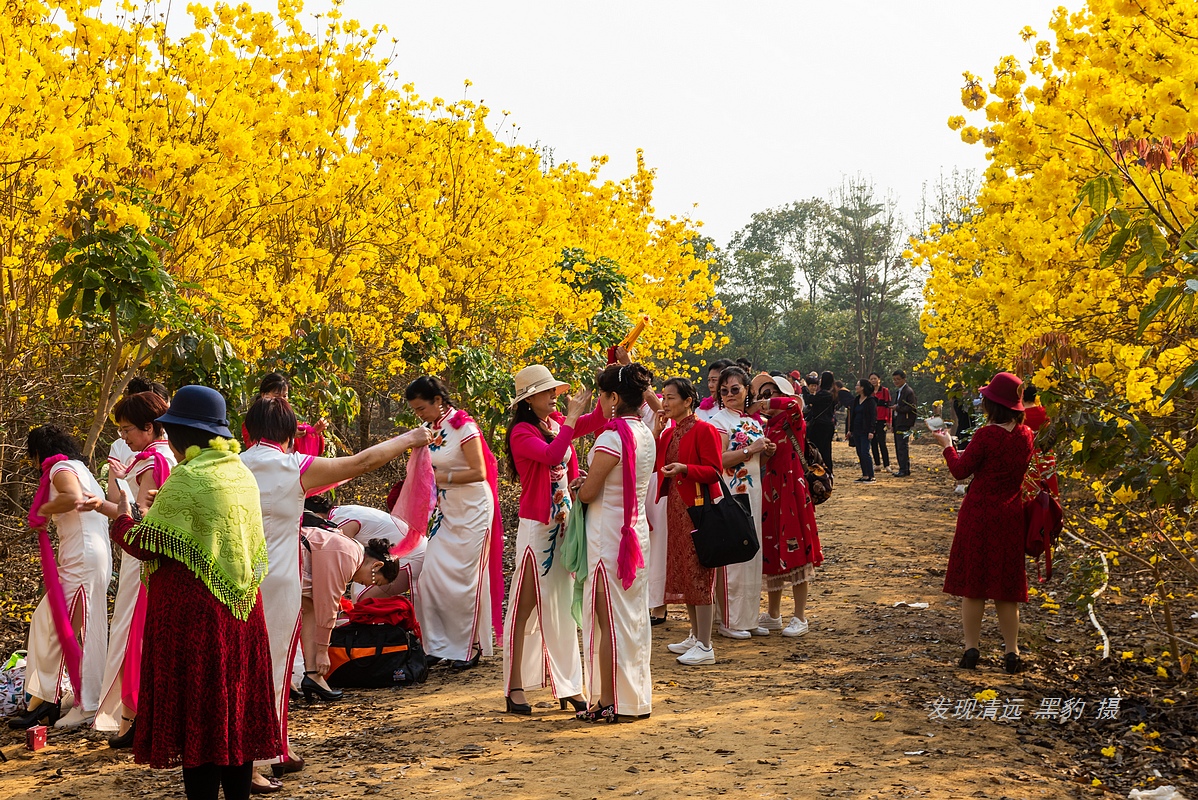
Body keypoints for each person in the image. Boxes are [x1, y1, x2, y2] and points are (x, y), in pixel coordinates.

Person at [88, 385, 281, 800]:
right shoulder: (238, 473)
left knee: (199, 713)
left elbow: (144, 543)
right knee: (232, 713)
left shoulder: (188, 477)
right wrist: (163, 506)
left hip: (195, 618)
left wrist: (123, 517)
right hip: (242, 611)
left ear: (180, 435)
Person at [241, 395, 430, 785]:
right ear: (290, 434)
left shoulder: (234, 465)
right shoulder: (291, 465)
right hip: (278, 581)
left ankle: (272, 746)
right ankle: (255, 760)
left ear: (249, 430)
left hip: (235, 578)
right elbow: (361, 462)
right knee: (271, 669)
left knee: (246, 666)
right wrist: (410, 439)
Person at [502, 365, 600, 715]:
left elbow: (598, 419)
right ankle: (514, 686)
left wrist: (608, 377)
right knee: (525, 607)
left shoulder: (556, 423)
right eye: (546, 392)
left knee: (561, 605)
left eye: (553, 391)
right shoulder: (522, 432)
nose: (554, 396)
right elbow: (552, 455)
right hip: (538, 529)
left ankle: (568, 684)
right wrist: (571, 419)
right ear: (528, 399)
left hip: (564, 526)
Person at [931, 372, 1034, 675]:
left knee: (973, 586)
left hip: (979, 513)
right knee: (1006, 588)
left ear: (992, 404)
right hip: (1010, 514)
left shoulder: (986, 435)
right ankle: (1012, 652)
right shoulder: (1026, 435)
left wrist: (947, 445)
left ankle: (971, 650)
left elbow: (960, 471)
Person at [9, 427, 111, 731]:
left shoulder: (59, 468)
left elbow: (71, 497)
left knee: (63, 627)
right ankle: (52, 699)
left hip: (83, 559)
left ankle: (83, 703)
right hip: (87, 556)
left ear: (39, 452)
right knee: (60, 626)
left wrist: (44, 508)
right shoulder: (79, 467)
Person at [571, 363, 656, 721]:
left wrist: (579, 488)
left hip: (609, 537)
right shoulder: (645, 432)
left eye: (603, 396)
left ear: (615, 398)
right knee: (632, 618)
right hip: (635, 530)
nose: (601, 403)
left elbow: (590, 493)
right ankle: (632, 698)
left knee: (610, 620)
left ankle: (609, 700)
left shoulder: (611, 438)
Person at [89, 391, 175, 747]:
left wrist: (104, 505)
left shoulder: (152, 461)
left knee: (133, 632)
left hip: (142, 557)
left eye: (127, 429)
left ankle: (132, 719)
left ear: (149, 427)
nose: (123, 437)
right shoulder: (170, 456)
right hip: (162, 555)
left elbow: (139, 517)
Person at [405, 376, 501, 671]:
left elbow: (479, 471)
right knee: (430, 575)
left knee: (465, 579)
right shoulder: (428, 430)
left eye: (421, 408)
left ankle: (468, 646)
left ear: (437, 400)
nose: (418, 414)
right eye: (415, 410)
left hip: (473, 507)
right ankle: (436, 645)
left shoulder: (464, 426)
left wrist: (440, 479)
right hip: (447, 510)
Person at [654, 378, 724, 666]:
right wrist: (657, 433)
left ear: (687, 401)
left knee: (699, 574)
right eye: (664, 397)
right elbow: (656, 466)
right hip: (677, 511)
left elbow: (715, 471)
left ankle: (706, 645)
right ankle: (695, 635)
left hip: (698, 509)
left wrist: (685, 469)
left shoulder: (704, 429)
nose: (665, 403)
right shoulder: (671, 433)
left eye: (671, 397)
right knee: (685, 572)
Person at [297, 523, 400, 702]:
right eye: (376, 581)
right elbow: (327, 603)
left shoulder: (351, 550)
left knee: (310, 610)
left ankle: (312, 675)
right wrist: (322, 652)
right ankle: (291, 678)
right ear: (376, 565)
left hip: (289, 561)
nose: (369, 585)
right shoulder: (348, 555)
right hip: (282, 559)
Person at [752, 375, 822, 638]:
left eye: (770, 393)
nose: (764, 400)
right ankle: (773, 614)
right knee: (773, 550)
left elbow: (794, 404)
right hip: (771, 491)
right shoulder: (766, 427)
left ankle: (800, 617)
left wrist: (765, 402)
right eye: (761, 394)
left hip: (792, 491)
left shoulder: (793, 418)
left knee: (797, 553)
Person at [709, 366, 775, 639]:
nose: (729, 394)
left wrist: (766, 452)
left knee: (752, 555)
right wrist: (750, 449)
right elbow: (718, 459)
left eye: (735, 389)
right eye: (724, 390)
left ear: (747, 390)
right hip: (730, 494)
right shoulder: (718, 421)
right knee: (733, 558)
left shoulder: (754, 422)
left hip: (753, 493)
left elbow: (757, 460)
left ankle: (748, 618)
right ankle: (729, 620)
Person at [303, 496, 426, 600]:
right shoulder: (340, 512)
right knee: (358, 591)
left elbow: (331, 562)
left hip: (411, 555)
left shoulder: (338, 522)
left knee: (364, 598)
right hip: (409, 550)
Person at [1021, 384, 1059, 499]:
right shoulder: (1045, 412)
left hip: (1027, 456)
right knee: (1049, 486)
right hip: (1045, 454)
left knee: (1030, 490)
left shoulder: (1019, 416)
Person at [804, 371, 837, 477]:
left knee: (817, 449)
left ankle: (820, 471)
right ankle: (828, 471)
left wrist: (804, 388)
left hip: (820, 426)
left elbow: (809, 399)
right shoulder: (833, 393)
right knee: (826, 449)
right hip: (828, 425)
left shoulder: (824, 394)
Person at [847, 379, 877, 483]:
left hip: (865, 430)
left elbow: (873, 417)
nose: (856, 387)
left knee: (865, 452)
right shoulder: (856, 400)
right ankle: (865, 475)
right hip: (856, 430)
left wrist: (871, 430)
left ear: (863, 388)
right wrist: (850, 430)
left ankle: (871, 475)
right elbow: (853, 415)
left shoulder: (870, 401)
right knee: (860, 452)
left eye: (858, 385)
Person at [892, 370, 918, 477]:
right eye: (894, 380)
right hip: (897, 422)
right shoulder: (899, 391)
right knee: (899, 446)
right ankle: (902, 468)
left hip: (904, 422)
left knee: (902, 446)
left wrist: (898, 408)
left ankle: (904, 469)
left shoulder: (908, 391)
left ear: (904, 379)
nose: (896, 382)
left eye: (898, 379)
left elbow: (912, 407)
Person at [697, 358, 734, 423]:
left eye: (714, 380)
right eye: (709, 380)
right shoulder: (701, 411)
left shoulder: (745, 410)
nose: (710, 385)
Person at [869, 372, 892, 474]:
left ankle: (887, 465)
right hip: (872, 420)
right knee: (873, 442)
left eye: (875, 378)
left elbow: (888, 407)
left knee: (882, 442)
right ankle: (877, 464)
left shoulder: (885, 391)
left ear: (879, 379)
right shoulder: (869, 391)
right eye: (871, 379)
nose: (873, 381)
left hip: (882, 419)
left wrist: (889, 421)